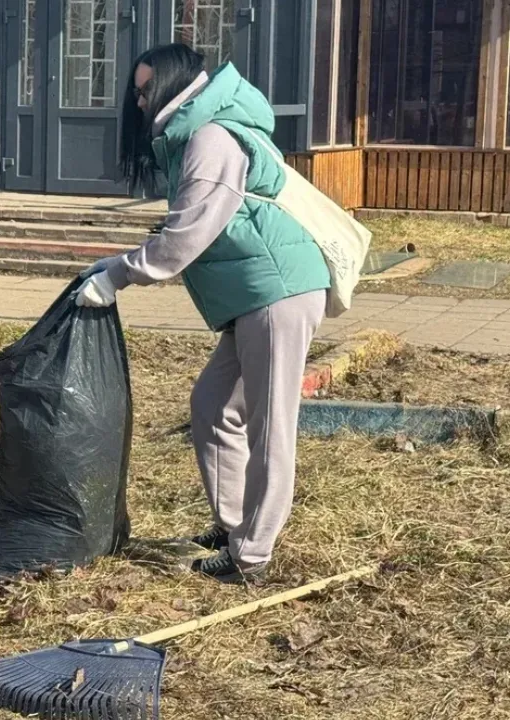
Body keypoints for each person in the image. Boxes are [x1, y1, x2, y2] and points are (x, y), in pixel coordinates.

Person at [77, 44, 331, 585]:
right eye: (137, 91)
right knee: (213, 405)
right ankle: (234, 523)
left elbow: (187, 238)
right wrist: (118, 262)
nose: (140, 101)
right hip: (254, 295)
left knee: (271, 427)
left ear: (174, 86)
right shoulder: (194, 134)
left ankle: (252, 556)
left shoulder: (211, 138)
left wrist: (119, 274)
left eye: (146, 90)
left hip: (276, 293)